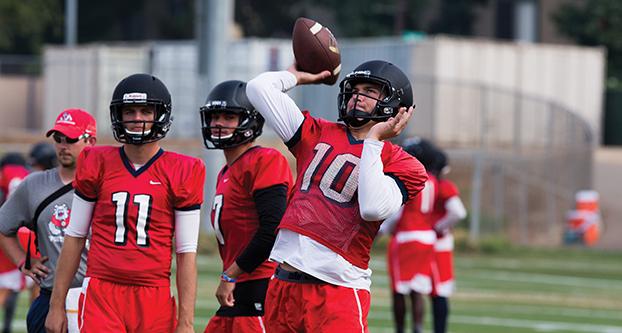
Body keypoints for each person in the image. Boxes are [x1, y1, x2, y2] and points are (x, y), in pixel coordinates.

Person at [246, 60, 428, 332]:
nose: (357, 95)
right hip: (283, 285)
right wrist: (296, 76)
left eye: (370, 90)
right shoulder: (316, 132)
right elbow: (258, 88)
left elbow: (372, 208)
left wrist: (374, 141)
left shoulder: (404, 164)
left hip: (336, 291)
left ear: (395, 105)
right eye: (355, 89)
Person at [45, 74, 205, 333]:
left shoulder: (183, 170)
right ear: (118, 115)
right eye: (129, 111)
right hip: (102, 291)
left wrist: (185, 321)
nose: (137, 118)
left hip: (154, 294)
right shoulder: (96, 162)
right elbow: (74, 236)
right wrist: (56, 305)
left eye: (145, 111)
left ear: (160, 115)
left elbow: (186, 252)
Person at [200, 80, 293, 332]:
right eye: (214, 116)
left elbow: (272, 228)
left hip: (262, 286)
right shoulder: (226, 171)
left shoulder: (265, 160)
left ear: (250, 120)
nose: (218, 123)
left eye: (229, 116)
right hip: (239, 290)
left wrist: (230, 274)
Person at [0, 108, 97, 333]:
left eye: (71, 139)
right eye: (58, 139)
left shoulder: (105, 184)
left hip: (94, 299)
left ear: (91, 140)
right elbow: (3, 227)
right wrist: (23, 263)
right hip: (50, 296)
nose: (63, 145)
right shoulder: (34, 185)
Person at [381, 137, 439, 333]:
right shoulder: (432, 179)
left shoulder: (411, 174)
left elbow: (398, 211)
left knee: (399, 289)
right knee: (418, 289)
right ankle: (418, 328)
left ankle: (400, 329)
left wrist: (381, 231)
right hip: (427, 237)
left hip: (406, 236)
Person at [428, 149, 466, 333]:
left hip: (436, 244)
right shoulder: (434, 184)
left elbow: (458, 212)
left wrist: (438, 227)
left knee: (438, 291)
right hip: (431, 242)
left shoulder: (441, 185)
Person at [0, 152, 30, 333]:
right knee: (37, 285)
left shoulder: (6, 174)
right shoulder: (30, 176)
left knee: (6, 286)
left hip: (7, 234)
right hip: (27, 235)